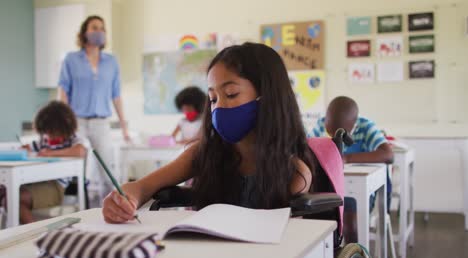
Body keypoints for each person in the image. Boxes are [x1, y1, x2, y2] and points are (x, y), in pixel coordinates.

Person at [102, 42, 317, 223]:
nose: (219, 107)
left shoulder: (293, 173)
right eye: (213, 98)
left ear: (268, 96)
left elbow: (290, 245)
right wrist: (124, 199)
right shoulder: (203, 154)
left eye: (231, 94)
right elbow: (142, 187)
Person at [57, 15, 129, 194]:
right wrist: (63, 122)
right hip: (76, 121)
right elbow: (63, 91)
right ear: (84, 33)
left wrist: (123, 126)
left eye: (102, 29)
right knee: (74, 168)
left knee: (107, 169)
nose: (99, 32)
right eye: (94, 28)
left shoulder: (111, 62)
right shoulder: (71, 59)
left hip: (101, 122)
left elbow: (116, 95)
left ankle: (113, 206)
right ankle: (77, 206)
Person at [310, 96, 393, 243]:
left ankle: (352, 256)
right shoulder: (320, 124)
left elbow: (388, 154)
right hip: (330, 188)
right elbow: (306, 150)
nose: (333, 138)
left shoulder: (366, 126)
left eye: (339, 135)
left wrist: (346, 158)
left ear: (353, 126)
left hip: (358, 192)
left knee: (350, 226)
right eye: (330, 133)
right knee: (313, 220)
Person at [20, 101, 88, 224]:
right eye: (46, 132)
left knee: (16, 199)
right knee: (8, 195)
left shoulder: (72, 140)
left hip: (56, 187)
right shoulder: (43, 141)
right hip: (35, 183)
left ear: (63, 128)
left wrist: (51, 153)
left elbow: (80, 151)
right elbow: (27, 149)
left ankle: (35, 235)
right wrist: (24, 149)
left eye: (52, 132)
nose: (49, 136)